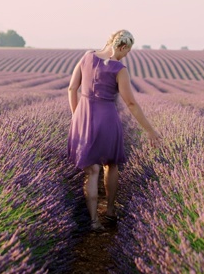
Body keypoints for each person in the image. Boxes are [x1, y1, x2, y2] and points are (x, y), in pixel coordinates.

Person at [67, 29, 162, 232]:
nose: (126, 55)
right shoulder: (119, 69)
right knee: (111, 164)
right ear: (121, 46)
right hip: (107, 118)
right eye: (127, 51)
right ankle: (110, 212)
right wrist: (150, 130)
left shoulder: (86, 57)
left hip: (83, 117)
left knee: (91, 171)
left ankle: (93, 221)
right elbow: (130, 103)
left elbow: (71, 88)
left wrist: (77, 116)